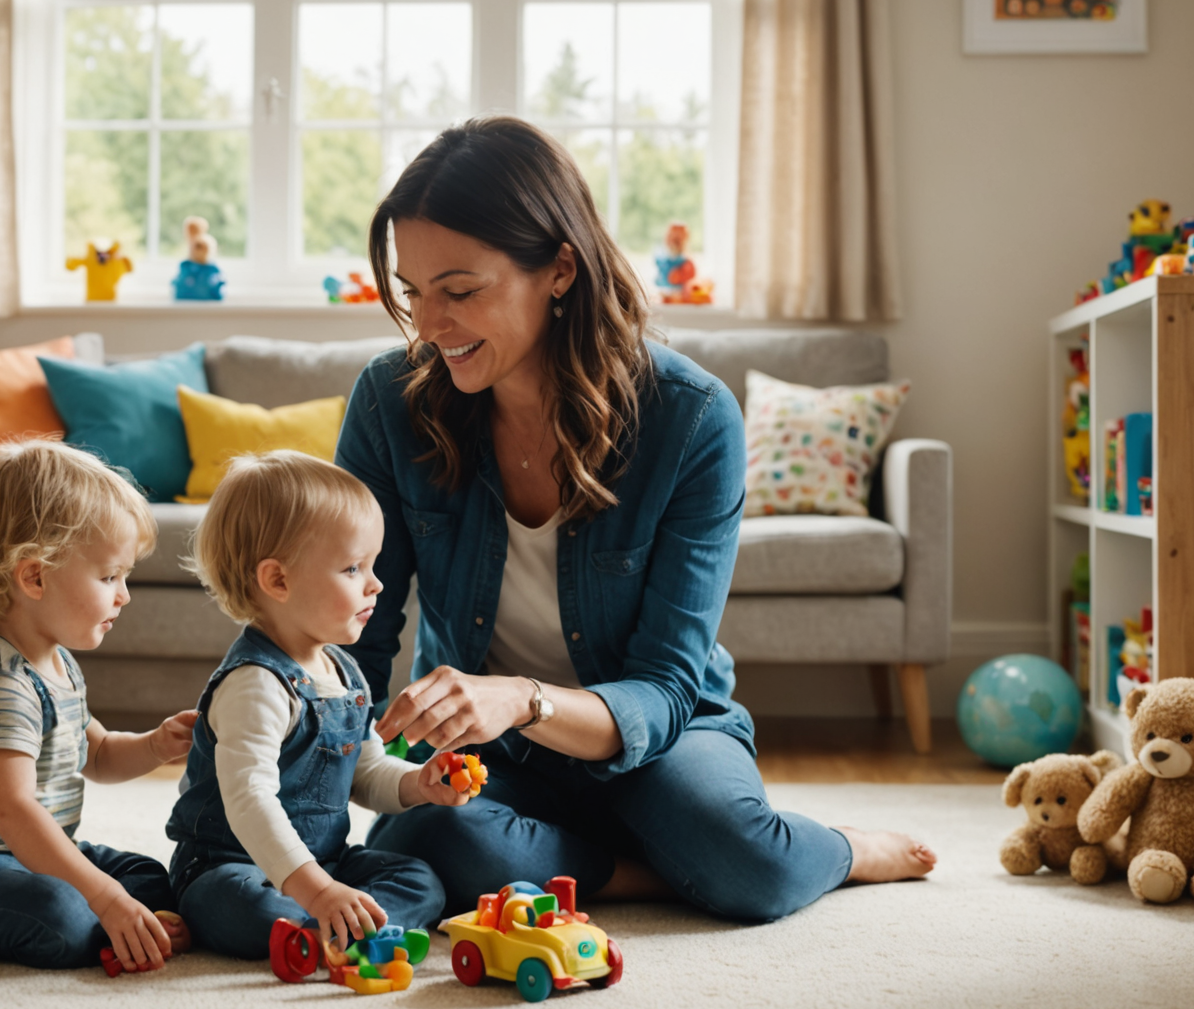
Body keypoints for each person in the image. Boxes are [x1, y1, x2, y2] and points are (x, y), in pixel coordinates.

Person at [341, 115, 936, 923]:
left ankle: (838, 847)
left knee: (752, 868)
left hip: (661, 734)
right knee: (428, 844)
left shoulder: (690, 419)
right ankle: (649, 873)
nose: (429, 325)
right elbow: (354, 630)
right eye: (413, 293)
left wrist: (524, 698)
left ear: (558, 270)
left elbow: (663, 687)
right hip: (490, 747)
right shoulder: (390, 401)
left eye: (460, 291)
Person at [0, 440, 199, 972]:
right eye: (108, 577)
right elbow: (15, 811)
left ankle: (122, 919)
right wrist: (103, 899)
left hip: (20, 858)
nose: (124, 595)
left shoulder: (55, 663)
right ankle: (108, 927)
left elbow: (94, 753)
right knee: (63, 916)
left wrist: (154, 745)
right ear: (34, 576)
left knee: (147, 876)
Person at [166, 451, 464, 958]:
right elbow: (249, 801)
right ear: (278, 581)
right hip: (231, 865)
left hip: (324, 862)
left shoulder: (345, 672)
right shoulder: (256, 684)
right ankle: (323, 926)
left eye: (373, 565)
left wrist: (418, 784)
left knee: (422, 881)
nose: (377, 584)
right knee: (247, 907)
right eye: (353, 568)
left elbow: (366, 772)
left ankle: (330, 930)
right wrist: (318, 891)